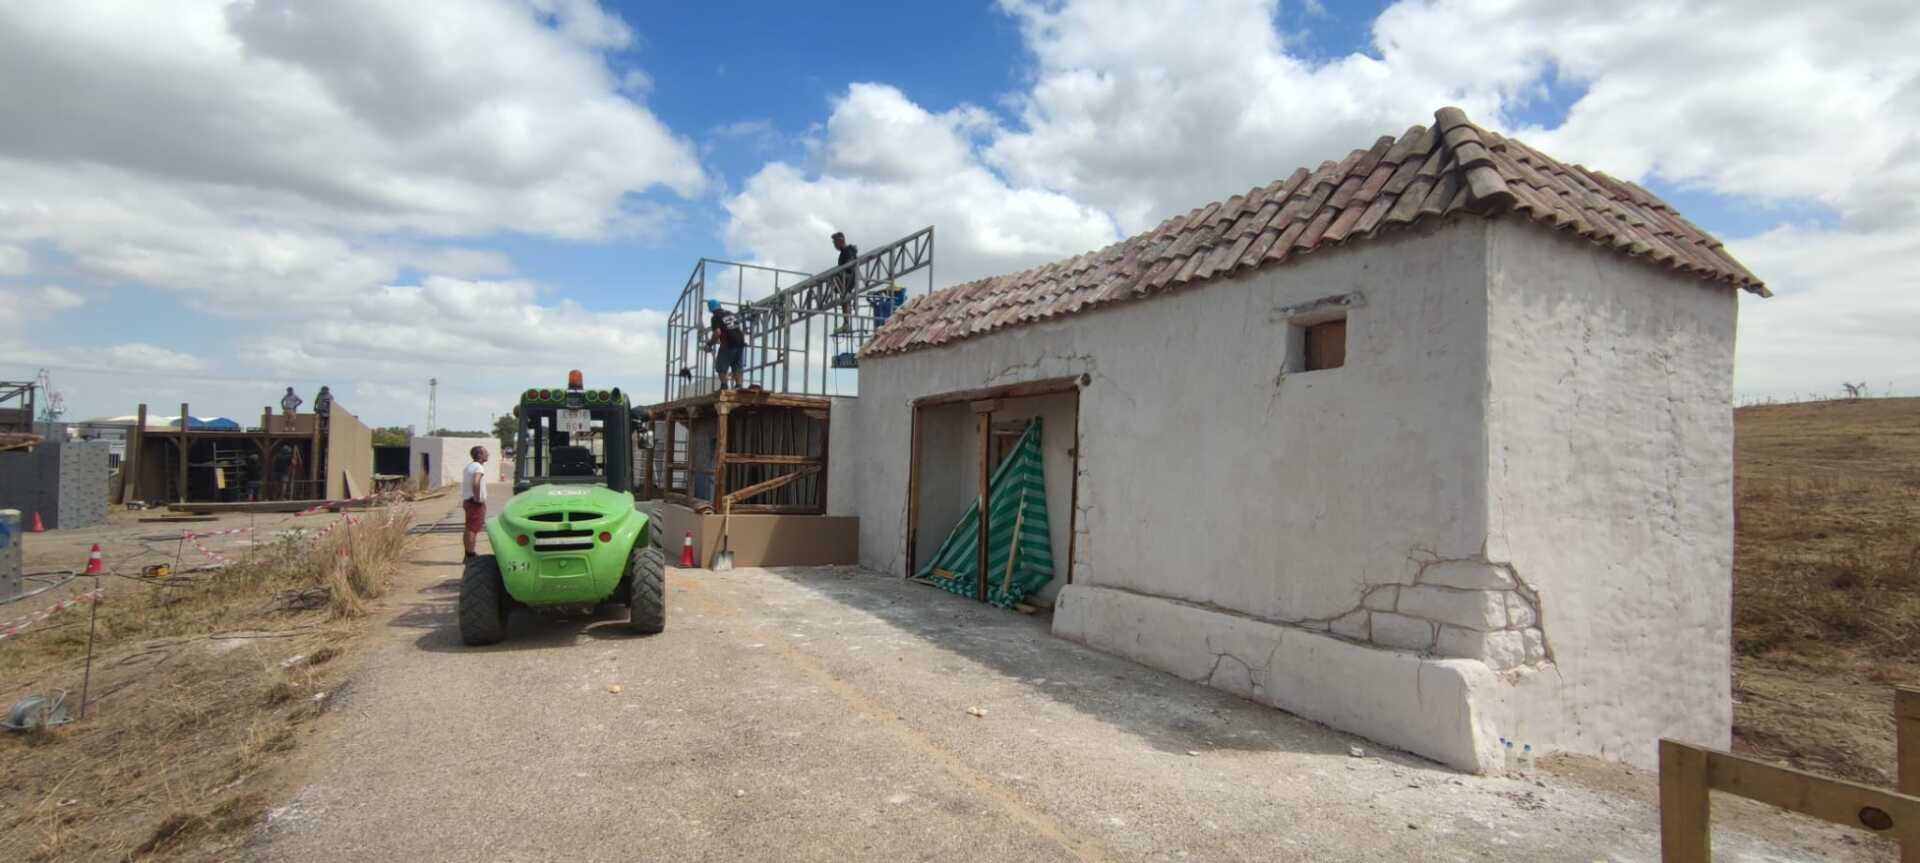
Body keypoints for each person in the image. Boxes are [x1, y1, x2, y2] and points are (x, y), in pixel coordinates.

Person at [706, 298, 746, 391]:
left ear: (711, 309)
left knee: (720, 366)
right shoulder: (730, 313)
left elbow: (717, 332)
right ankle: (738, 386)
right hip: (740, 342)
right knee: (736, 365)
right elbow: (731, 328)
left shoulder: (715, 317)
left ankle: (724, 385)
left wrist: (709, 344)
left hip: (728, 344)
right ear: (719, 305)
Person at [462, 445, 489, 561]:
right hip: (474, 503)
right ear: (480, 455)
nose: (488, 455)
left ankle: (468, 554)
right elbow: (476, 483)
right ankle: (471, 555)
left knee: (468, 528)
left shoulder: (470, 466)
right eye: (486, 453)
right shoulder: (478, 467)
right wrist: (478, 498)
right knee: (473, 529)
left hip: (468, 501)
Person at [831, 231, 858, 334]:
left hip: (848, 279)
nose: (834, 245)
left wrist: (839, 277)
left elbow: (849, 266)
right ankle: (846, 324)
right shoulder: (844, 252)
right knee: (844, 300)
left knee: (845, 298)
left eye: (835, 243)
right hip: (846, 279)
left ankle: (846, 324)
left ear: (840, 241)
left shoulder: (848, 251)